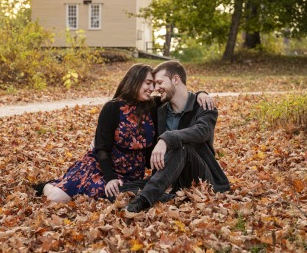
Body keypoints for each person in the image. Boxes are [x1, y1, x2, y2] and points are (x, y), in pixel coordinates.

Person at [35, 63, 214, 203]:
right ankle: (49, 185)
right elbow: (102, 149)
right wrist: (110, 178)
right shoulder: (112, 108)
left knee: (98, 199)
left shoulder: (152, 106)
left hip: (131, 174)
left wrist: (201, 94)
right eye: (148, 83)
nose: (152, 88)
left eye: (154, 84)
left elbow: (176, 93)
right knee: (56, 199)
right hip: (103, 168)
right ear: (135, 81)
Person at [125, 61, 230, 213]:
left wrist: (166, 138)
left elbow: (203, 131)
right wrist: (101, 135)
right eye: (154, 84)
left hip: (198, 174)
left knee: (181, 146)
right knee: (117, 190)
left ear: (175, 79)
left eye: (160, 82)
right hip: (167, 174)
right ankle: (168, 196)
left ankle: (143, 199)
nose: (156, 88)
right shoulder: (159, 107)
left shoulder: (204, 106)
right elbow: (125, 106)